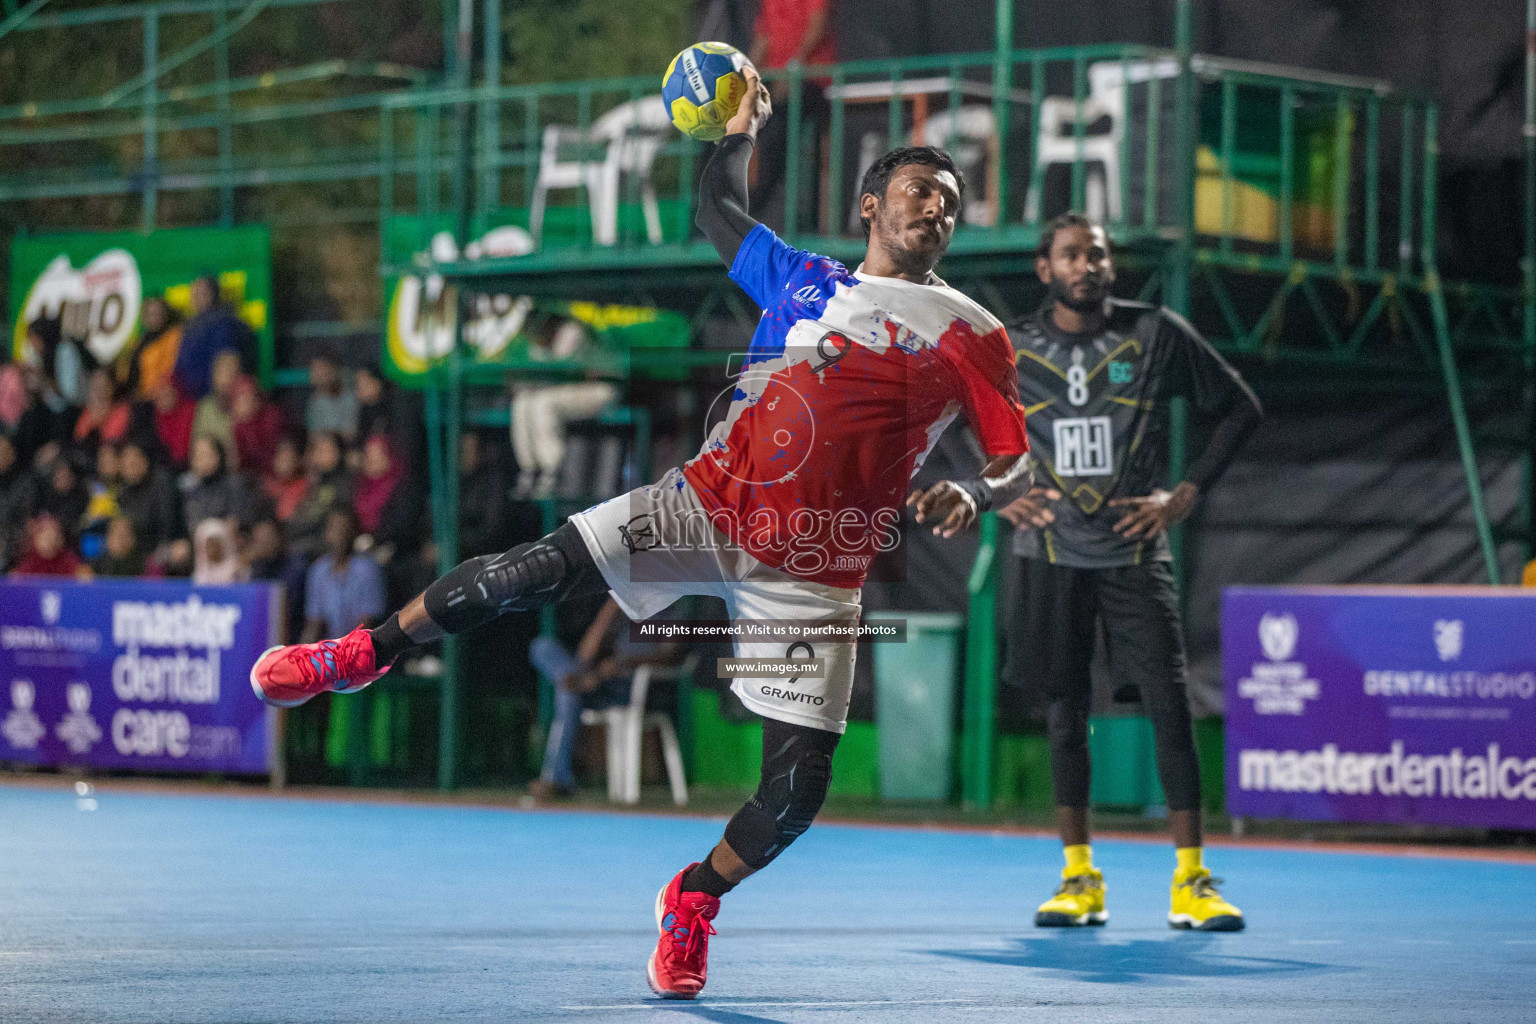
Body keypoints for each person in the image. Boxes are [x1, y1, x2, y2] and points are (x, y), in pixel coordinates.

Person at [250, 70, 1033, 999]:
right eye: (918, 193)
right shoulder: (802, 278)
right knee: (523, 575)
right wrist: (733, 132)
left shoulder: (972, 334)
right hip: (703, 505)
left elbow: (1014, 457)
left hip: (819, 568)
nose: (935, 211)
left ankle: (694, 898)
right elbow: (715, 207)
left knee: (794, 795)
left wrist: (976, 496)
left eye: (949, 203)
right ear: (872, 205)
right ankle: (361, 652)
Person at [998, 213, 1263, 933]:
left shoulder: (1155, 333)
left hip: (1134, 551)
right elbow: (957, 420)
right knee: (1064, 716)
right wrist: (1000, 492)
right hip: (1049, 553)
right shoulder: (1011, 346)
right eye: (1073, 255)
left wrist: (1184, 495)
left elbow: (1240, 409)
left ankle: (1192, 881)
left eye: (1100, 254)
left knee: (1170, 708)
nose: (1090, 265)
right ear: (1044, 268)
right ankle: (1079, 877)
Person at [528, 597, 682, 800]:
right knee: (542, 647)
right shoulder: (626, 612)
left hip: (629, 691)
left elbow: (671, 655)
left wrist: (621, 663)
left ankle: (557, 779)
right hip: (596, 684)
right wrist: (610, 609)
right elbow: (585, 657)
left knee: (568, 693)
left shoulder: (669, 613)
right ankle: (571, 680)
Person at [747, 0, 835, 231]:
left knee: (779, 131)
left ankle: (767, 214)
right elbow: (762, 38)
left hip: (811, 77)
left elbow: (817, 26)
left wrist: (792, 68)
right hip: (778, 80)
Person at [508, 316, 617, 498]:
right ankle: (530, 470)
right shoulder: (538, 341)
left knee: (544, 403)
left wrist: (530, 381)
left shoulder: (571, 331)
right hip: (571, 388)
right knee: (522, 402)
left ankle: (553, 471)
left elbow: (557, 373)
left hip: (602, 389)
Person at [301, 507, 385, 642]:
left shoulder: (367, 569)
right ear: (326, 533)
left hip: (361, 647)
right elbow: (313, 625)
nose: (339, 535)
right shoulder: (318, 570)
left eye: (344, 528)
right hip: (329, 651)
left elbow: (367, 624)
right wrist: (301, 655)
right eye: (334, 528)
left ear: (353, 532)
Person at [174, 274, 253, 399]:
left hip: (211, 399)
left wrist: (220, 399)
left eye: (202, 293)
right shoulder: (191, 325)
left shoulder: (222, 323)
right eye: (194, 293)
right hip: (189, 399)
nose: (196, 297)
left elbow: (228, 362)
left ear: (214, 294)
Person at [116, 437, 189, 571]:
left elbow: (168, 526)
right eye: (126, 461)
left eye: (134, 460)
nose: (130, 464)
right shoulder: (124, 491)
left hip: (164, 547)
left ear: (145, 460)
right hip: (135, 550)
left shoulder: (162, 483)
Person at [231, 374, 286, 477]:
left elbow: (274, 457)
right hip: (251, 480)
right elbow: (239, 463)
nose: (243, 404)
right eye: (239, 400)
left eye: (248, 398)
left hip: (277, 475)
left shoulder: (273, 417)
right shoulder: (238, 426)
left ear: (257, 399)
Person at [133, 296, 183, 401]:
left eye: (160, 312)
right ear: (145, 318)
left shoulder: (175, 335)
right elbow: (135, 377)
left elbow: (173, 369)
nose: (157, 317)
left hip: (169, 396)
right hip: (146, 398)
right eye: (152, 314)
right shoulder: (140, 345)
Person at [12, 514, 90, 580]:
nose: (50, 541)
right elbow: (16, 584)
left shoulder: (67, 559)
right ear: (35, 538)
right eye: (46, 537)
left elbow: (85, 578)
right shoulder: (29, 562)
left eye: (54, 535)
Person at [305, 353, 359, 441]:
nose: (317, 374)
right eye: (314, 369)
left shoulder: (349, 397)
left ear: (332, 371)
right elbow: (313, 436)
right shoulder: (314, 401)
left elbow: (350, 433)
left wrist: (329, 435)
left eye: (321, 368)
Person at [262, 435, 308, 523]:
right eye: (281, 459)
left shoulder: (306, 486)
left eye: (289, 459)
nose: (284, 465)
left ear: (298, 461)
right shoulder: (268, 487)